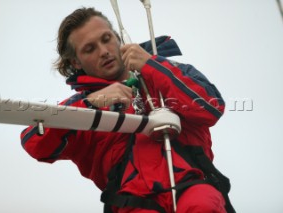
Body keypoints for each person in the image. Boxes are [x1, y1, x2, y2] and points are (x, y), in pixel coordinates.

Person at [20, 7, 235, 213]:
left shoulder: (171, 72)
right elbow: (34, 141)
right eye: (90, 48)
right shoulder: (81, 108)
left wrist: (151, 66)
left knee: (202, 206)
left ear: (117, 38)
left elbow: (211, 106)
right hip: (131, 202)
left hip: (194, 186)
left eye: (106, 39)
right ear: (76, 62)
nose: (104, 51)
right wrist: (92, 103)